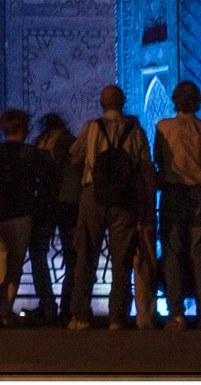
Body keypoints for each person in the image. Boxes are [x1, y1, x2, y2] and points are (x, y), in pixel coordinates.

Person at [68, 84, 159, 330]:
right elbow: (145, 166)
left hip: (93, 195)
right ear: (124, 102)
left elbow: (75, 157)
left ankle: (80, 316)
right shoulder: (136, 131)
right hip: (124, 200)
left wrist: (88, 178)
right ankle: (117, 318)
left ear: (101, 103)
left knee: (86, 256)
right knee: (122, 261)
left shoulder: (90, 127)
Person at [0, 108, 53, 326]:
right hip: (19, 213)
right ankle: (6, 310)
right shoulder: (30, 153)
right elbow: (49, 173)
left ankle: (1, 305)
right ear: (23, 129)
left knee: (2, 254)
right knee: (15, 263)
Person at [154, 81, 201, 330]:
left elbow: (158, 158)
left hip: (173, 192)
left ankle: (177, 314)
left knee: (172, 252)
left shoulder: (163, 127)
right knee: (200, 253)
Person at [27, 112, 81, 323]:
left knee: (39, 252)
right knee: (71, 256)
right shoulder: (73, 142)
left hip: (48, 202)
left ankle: (48, 305)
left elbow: (43, 169)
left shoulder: (44, 142)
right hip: (69, 202)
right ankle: (67, 307)